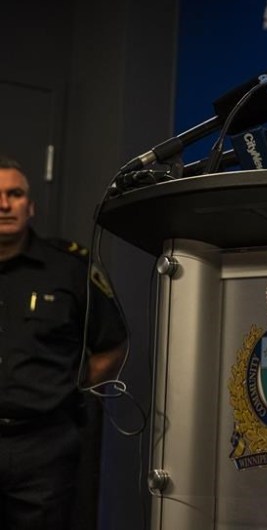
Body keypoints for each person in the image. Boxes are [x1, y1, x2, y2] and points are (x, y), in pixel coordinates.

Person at [0, 155, 127, 529]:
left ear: (31, 206)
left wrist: (65, 384)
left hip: (43, 446)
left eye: (15, 194)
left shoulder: (70, 268)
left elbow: (112, 345)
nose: (4, 204)